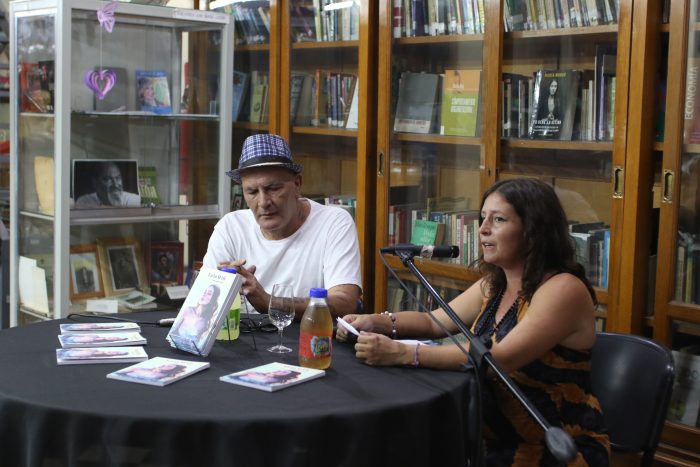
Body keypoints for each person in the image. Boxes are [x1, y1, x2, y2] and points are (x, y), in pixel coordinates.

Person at [337, 178, 610, 466]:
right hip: (488, 436)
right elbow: (434, 322)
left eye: (499, 219)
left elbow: (499, 357)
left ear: (534, 230)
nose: (483, 229)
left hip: (553, 447)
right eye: (483, 219)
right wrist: (377, 322)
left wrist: (404, 353)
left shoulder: (563, 289)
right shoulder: (495, 283)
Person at [202, 134, 362, 319]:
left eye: (273, 188)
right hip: (244, 340)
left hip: (305, 340)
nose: (263, 202)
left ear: (297, 184)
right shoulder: (231, 227)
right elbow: (203, 305)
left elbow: (345, 302)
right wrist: (220, 285)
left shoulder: (333, 222)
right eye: (252, 192)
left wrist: (269, 302)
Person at [75, 161, 141, 207]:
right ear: (95, 183)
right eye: (108, 179)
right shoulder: (85, 201)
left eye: (118, 178)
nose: (115, 184)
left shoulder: (133, 199)